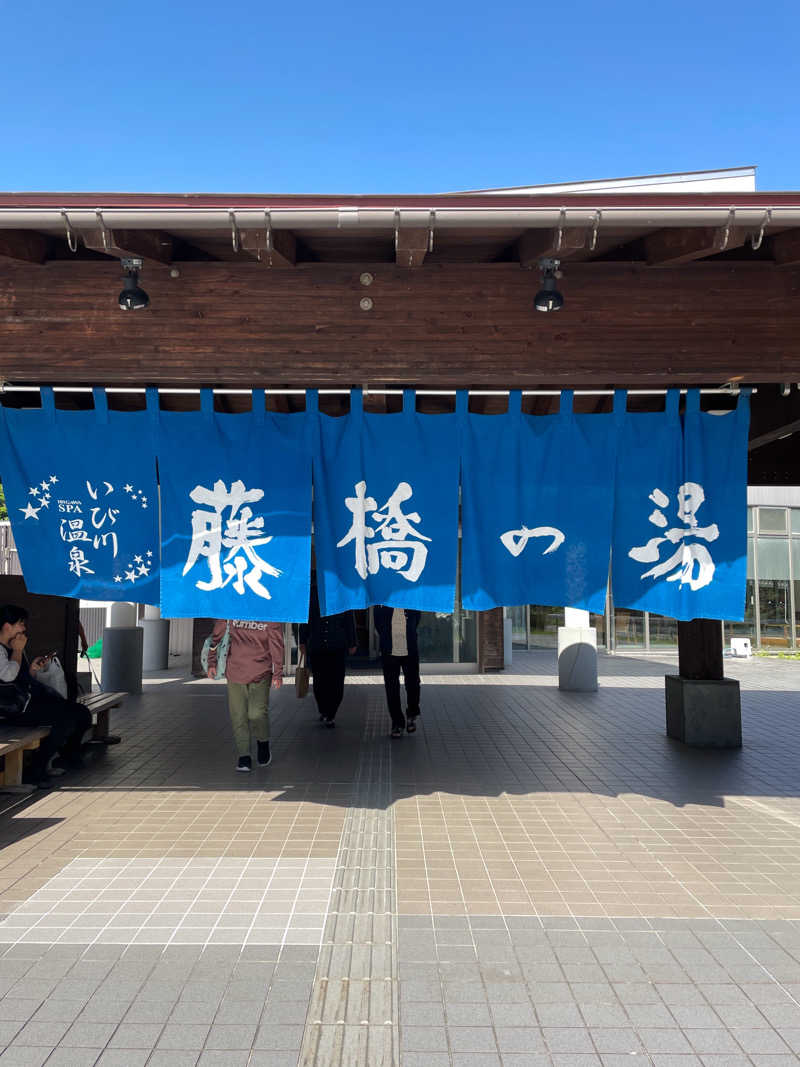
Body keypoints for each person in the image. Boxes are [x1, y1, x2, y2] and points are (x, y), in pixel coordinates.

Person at [0, 605, 93, 786]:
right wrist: (18, 650)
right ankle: (36, 768)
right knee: (63, 720)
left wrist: (33, 670)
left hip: (26, 702)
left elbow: (20, 678)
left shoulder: (13, 646)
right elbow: (8, 675)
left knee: (82, 713)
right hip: (12, 710)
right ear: (6, 626)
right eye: (20, 624)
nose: (24, 629)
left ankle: (69, 753)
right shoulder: (6, 649)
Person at [206, 618, 284, 772]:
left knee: (256, 713)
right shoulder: (232, 610)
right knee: (238, 715)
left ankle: (263, 741)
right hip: (234, 671)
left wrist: (278, 672)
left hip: (261, 672)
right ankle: (244, 756)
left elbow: (276, 643)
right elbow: (217, 637)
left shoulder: (269, 613)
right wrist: (211, 662)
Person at [298, 579, 356, 728]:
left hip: (337, 645)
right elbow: (305, 618)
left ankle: (331, 712)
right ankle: (324, 709)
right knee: (319, 681)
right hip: (317, 645)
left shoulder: (343, 591)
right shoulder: (312, 593)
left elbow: (349, 619)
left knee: (337, 681)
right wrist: (302, 640)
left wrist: (352, 641)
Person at [373, 606, 421, 738]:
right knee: (391, 688)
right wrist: (386, 635)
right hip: (389, 650)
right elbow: (377, 622)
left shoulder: (411, 599)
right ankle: (397, 723)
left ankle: (412, 714)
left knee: (413, 684)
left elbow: (417, 619)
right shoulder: (382, 600)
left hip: (409, 648)